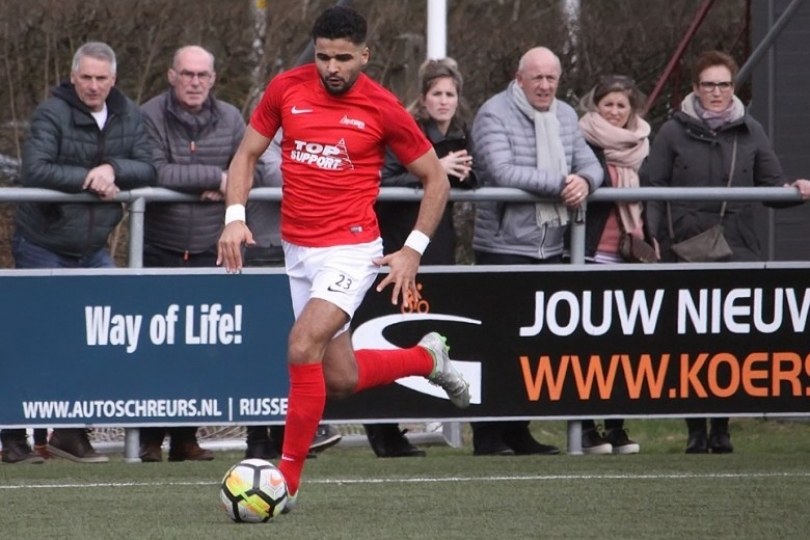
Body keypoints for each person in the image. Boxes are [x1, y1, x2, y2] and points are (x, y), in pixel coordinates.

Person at [217, 5, 470, 510]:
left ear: (365, 55)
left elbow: (435, 179)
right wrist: (234, 216)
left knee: (300, 343)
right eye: (324, 56)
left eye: (343, 58)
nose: (332, 67)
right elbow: (245, 154)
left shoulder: (382, 107)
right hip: (298, 250)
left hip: (351, 250)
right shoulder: (286, 89)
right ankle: (427, 357)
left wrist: (412, 251)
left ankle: (285, 481)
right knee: (340, 378)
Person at [641, 50, 810, 454]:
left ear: (733, 88)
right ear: (696, 89)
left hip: (736, 250)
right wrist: (658, 239)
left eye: (724, 84)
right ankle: (695, 430)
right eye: (708, 84)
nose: (716, 92)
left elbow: (771, 185)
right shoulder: (671, 132)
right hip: (684, 252)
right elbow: (650, 186)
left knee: (728, 342)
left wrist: (796, 191)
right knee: (689, 342)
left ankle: (722, 428)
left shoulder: (751, 130)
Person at [3, 41, 155, 464]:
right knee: (32, 339)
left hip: (92, 249)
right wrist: (91, 178)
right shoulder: (51, 113)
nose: (92, 86)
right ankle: (13, 437)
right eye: (85, 77)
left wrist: (114, 170)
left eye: (101, 78)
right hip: (42, 244)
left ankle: (70, 433)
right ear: (73, 77)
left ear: (114, 80)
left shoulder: (128, 114)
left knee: (97, 338)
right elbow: (35, 169)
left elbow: (148, 165)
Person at [470, 46, 603, 456]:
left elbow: (592, 165)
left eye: (551, 78)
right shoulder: (493, 113)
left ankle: (517, 430)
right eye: (537, 78)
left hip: (551, 247)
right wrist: (566, 182)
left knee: (532, 346)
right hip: (502, 246)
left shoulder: (565, 115)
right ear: (519, 77)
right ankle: (488, 436)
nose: (545, 86)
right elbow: (502, 170)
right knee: (497, 345)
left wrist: (586, 182)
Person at [363, 57, 476, 458]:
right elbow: (383, 181)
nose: (444, 101)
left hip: (437, 245)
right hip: (397, 246)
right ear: (423, 98)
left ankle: (408, 424)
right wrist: (434, 171)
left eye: (450, 94)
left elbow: (473, 181)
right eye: (436, 93)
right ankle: (383, 429)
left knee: (426, 333)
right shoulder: (405, 132)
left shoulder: (463, 133)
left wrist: (463, 175)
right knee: (386, 332)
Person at [243, 134, 343, 460]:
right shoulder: (267, 138)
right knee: (265, 347)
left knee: (304, 346)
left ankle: (296, 432)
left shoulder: (320, 136)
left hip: (311, 252)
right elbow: (282, 178)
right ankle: (257, 438)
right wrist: (330, 174)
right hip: (266, 251)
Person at [575, 74, 652, 454]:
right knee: (586, 346)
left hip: (629, 256)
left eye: (622, 105)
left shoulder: (642, 143)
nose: (616, 112)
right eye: (609, 104)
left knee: (623, 345)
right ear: (596, 106)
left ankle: (617, 426)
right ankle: (587, 428)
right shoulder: (581, 138)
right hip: (588, 253)